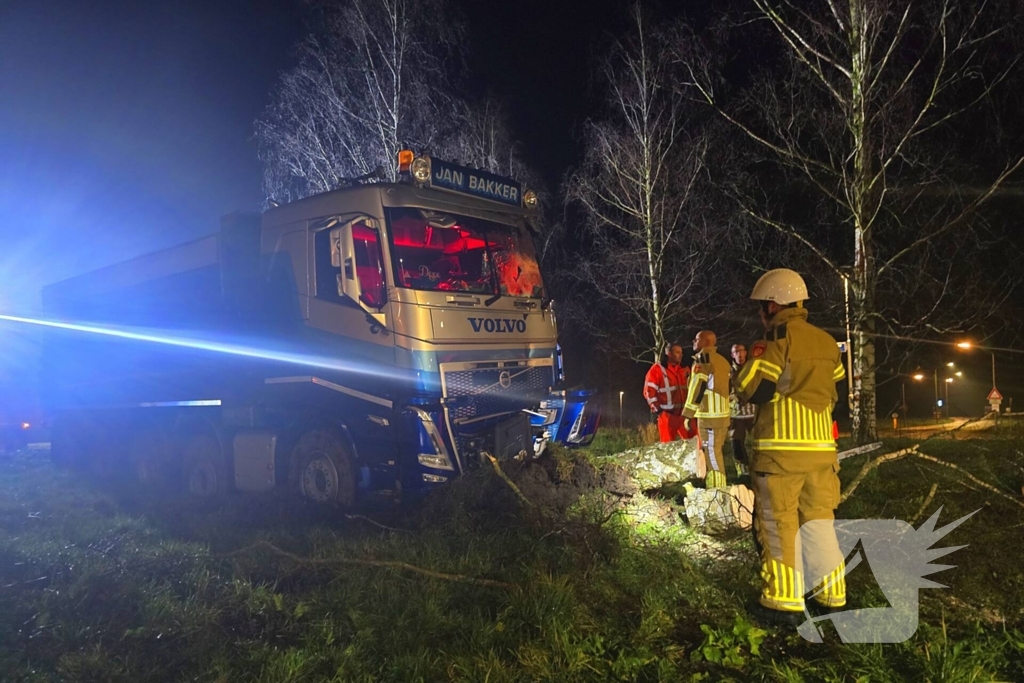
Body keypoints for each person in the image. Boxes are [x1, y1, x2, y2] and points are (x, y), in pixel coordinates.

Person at [734, 268, 848, 625]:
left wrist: (746, 366)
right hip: (822, 454)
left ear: (773, 305)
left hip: (780, 455)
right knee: (819, 523)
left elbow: (754, 388)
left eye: (761, 307)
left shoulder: (778, 340)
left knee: (778, 526)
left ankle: (783, 602)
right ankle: (833, 595)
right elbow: (837, 394)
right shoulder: (828, 343)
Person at [682, 331, 732, 488]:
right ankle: (717, 488)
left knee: (712, 453)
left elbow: (697, 386)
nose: (693, 341)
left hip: (710, 416)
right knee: (715, 452)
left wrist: (688, 413)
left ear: (706, 342)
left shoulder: (703, 359)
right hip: (721, 415)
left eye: (697, 339)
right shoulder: (723, 361)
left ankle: (718, 493)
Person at [643, 343, 694, 442]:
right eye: (677, 352)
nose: (681, 355)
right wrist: (658, 410)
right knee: (667, 447)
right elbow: (649, 392)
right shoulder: (657, 369)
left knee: (693, 444)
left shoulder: (685, 369)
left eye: (681, 352)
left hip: (685, 414)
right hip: (667, 416)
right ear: (669, 353)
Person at [730, 343, 756, 476]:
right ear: (732, 355)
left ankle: (758, 467)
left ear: (746, 352)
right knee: (737, 443)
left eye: (741, 351)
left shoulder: (753, 369)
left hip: (754, 413)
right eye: (736, 352)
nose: (739, 354)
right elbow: (725, 392)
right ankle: (743, 471)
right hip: (736, 414)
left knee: (757, 443)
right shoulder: (729, 373)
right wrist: (734, 397)